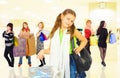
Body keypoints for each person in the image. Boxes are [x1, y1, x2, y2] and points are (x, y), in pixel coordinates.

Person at [37, 9, 87, 78]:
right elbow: (51, 50)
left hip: (70, 60)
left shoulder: (73, 31)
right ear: (62, 16)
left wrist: (79, 48)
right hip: (57, 61)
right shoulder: (54, 32)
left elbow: (84, 40)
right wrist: (42, 51)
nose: (69, 22)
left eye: (72, 21)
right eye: (68, 19)